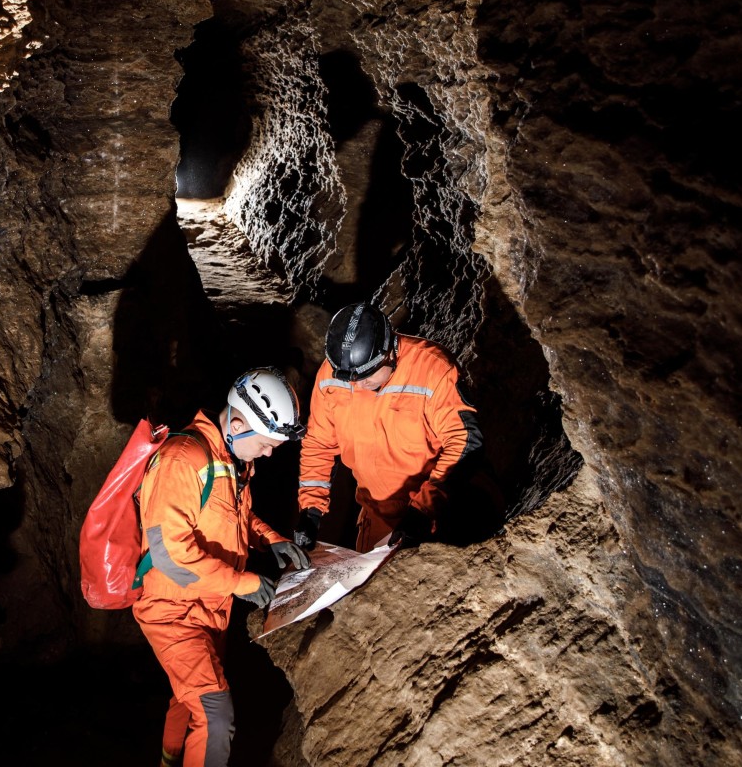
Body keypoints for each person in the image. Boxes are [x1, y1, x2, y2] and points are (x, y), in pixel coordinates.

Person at [134, 367, 311, 767]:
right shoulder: (183, 460)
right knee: (215, 715)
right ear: (236, 423)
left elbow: (235, 518)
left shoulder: (230, 461)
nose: (268, 454)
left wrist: (271, 538)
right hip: (172, 612)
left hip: (209, 609)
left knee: (188, 695)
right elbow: (169, 554)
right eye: (266, 444)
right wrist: (242, 582)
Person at [294, 301, 483, 554]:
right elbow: (319, 444)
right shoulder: (334, 373)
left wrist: (424, 511)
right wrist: (311, 509)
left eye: (367, 376)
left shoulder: (432, 369)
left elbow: (464, 442)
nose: (358, 385)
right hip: (377, 516)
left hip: (432, 515)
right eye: (351, 379)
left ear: (390, 352)